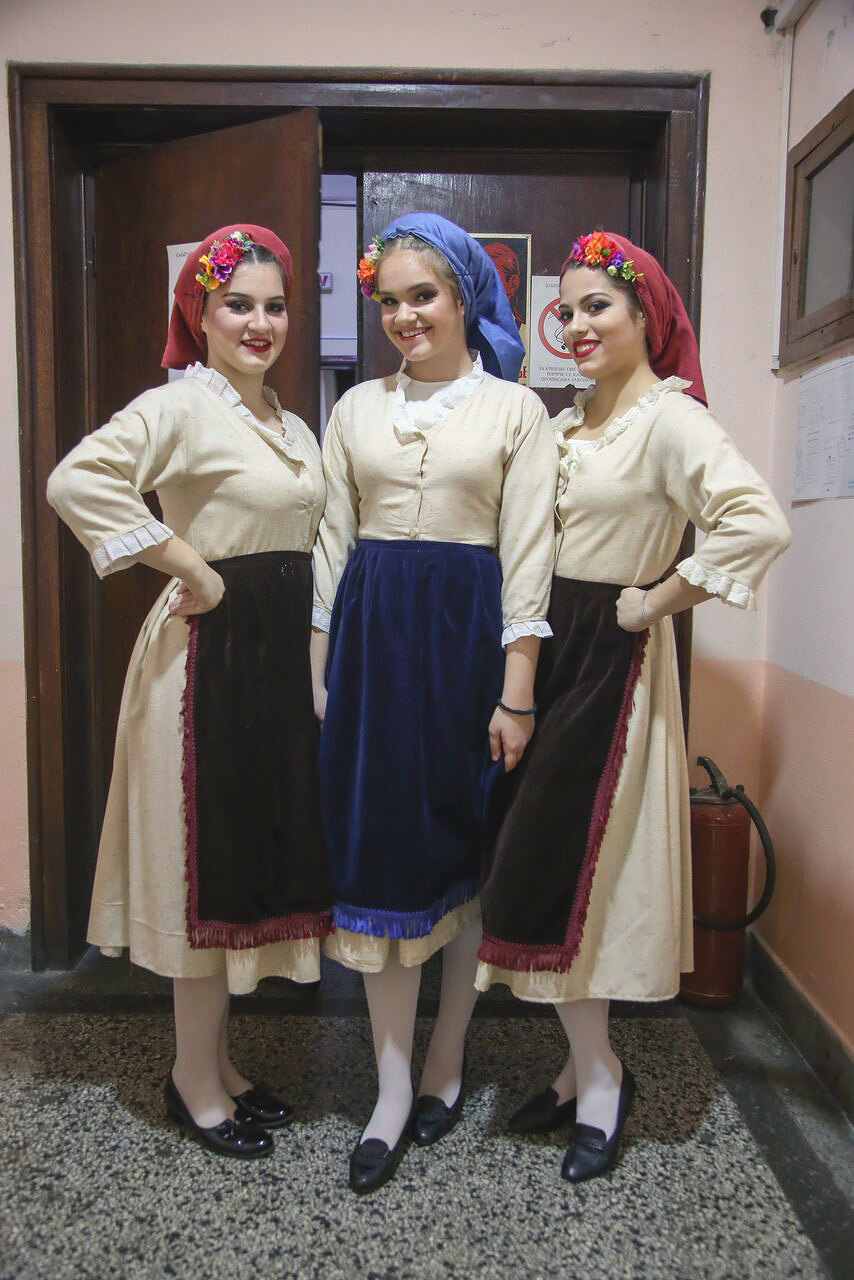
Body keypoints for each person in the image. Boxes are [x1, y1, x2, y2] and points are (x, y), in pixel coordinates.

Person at [477, 230, 792, 1182]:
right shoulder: (567, 423)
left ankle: (602, 1077)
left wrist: (654, 603)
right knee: (548, 868)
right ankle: (581, 1071)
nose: (577, 325)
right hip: (547, 654)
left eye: (597, 306)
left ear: (645, 315)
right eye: (567, 309)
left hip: (609, 666)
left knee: (587, 871)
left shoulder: (671, 420)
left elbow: (756, 522)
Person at [47, 224, 333, 1159]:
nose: (260, 323)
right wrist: (191, 567)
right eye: (237, 304)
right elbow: (75, 480)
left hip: (271, 674)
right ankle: (192, 1081)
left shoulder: (290, 424)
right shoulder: (176, 407)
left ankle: (217, 1065)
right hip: (203, 666)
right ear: (199, 314)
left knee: (237, 870)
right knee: (196, 873)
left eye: (275, 306)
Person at [311, 212, 556, 1193]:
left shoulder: (515, 412)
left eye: (424, 295)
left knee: (464, 851)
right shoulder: (354, 410)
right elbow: (331, 543)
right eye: (390, 300)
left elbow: (527, 556)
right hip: (372, 648)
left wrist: (516, 696)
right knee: (383, 858)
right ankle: (389, 1086)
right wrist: (321, 670)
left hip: (466, 646)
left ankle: (447, 1054)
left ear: (462, 297)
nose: (406, 315)